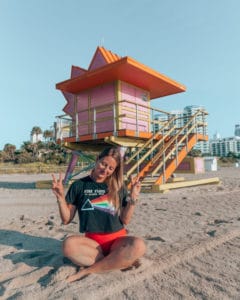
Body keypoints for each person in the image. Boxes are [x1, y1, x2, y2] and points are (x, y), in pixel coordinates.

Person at [52, 146, 146, 283]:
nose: (105, 170)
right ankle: (114, 261)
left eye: (110, 168)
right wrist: (60, 198)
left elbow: (125, 220)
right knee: (67, 245)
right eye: (103, 164)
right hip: (93, 245)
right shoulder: (78, 185)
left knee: (139, 245)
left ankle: (88, 270)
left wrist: (133, 198)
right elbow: (66, 219)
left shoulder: (118, 186)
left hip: (117, 241)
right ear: (97, 160)